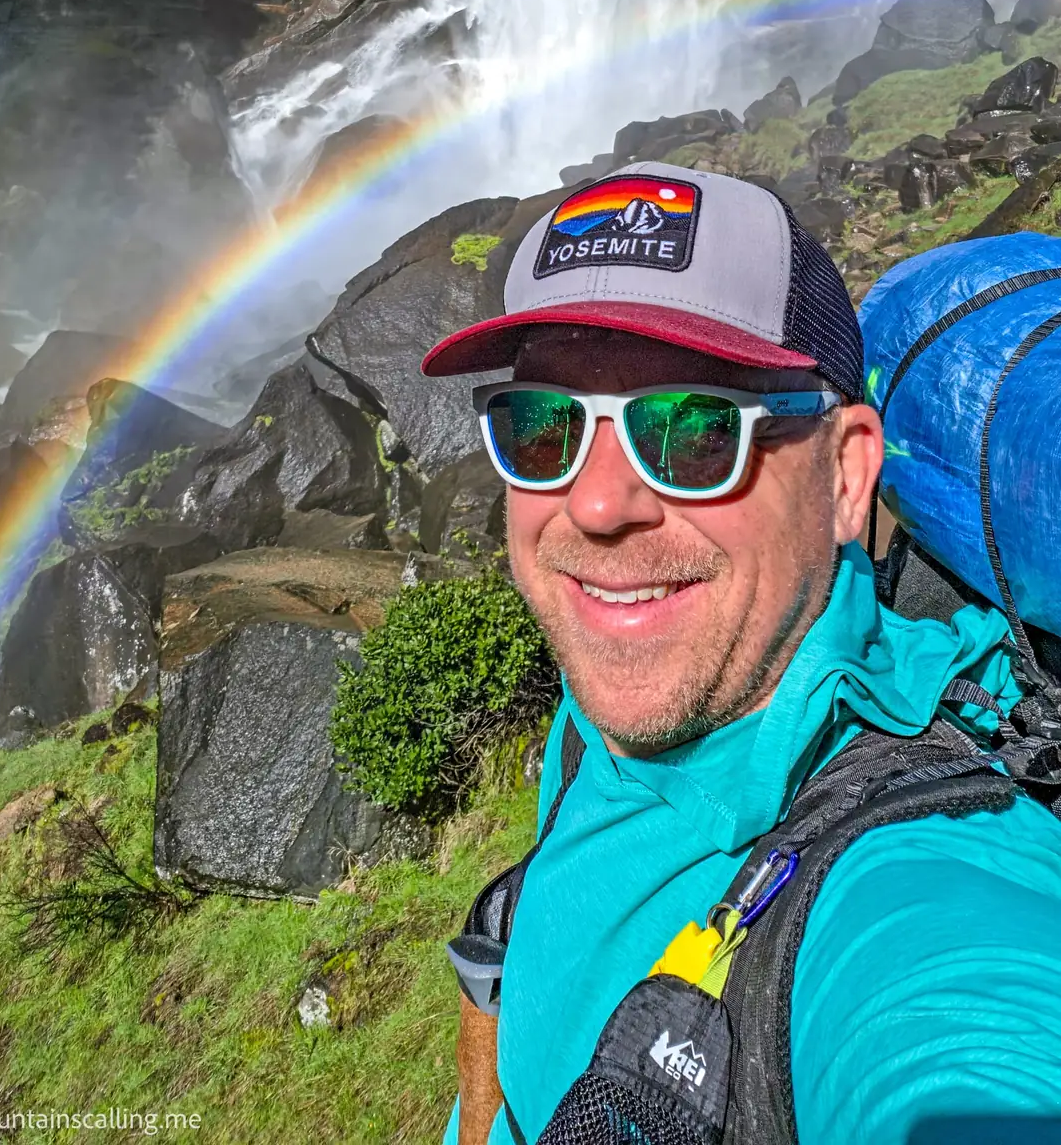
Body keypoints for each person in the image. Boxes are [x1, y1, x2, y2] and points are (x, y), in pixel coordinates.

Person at [422, 163, 1061, 1145]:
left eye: (693, 428)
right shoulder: (602, 712)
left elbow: (962, 1031)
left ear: (844, 473)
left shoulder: (908, 881)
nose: (595, 505)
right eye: (543, 427)